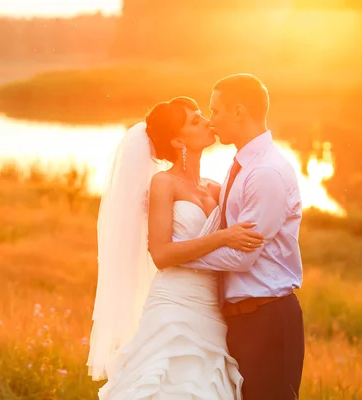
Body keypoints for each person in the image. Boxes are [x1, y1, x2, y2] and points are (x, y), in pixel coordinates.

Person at [87, 95, 264, 399]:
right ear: (178, 140)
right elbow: (162, 254)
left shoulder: (216, 187)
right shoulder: (163, 183)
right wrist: (222, 237)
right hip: (173, 306)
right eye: (195, 120)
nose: (207, 121)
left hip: (210, 309)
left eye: (201, 115)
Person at [177, 73, 305, 400]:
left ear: (238, 112)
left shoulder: (265, 172)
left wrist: (175, 256)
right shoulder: (243, 166)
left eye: (215, 111)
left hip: (267, 320)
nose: (210, 120)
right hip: (242, 321)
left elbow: (241, 256)